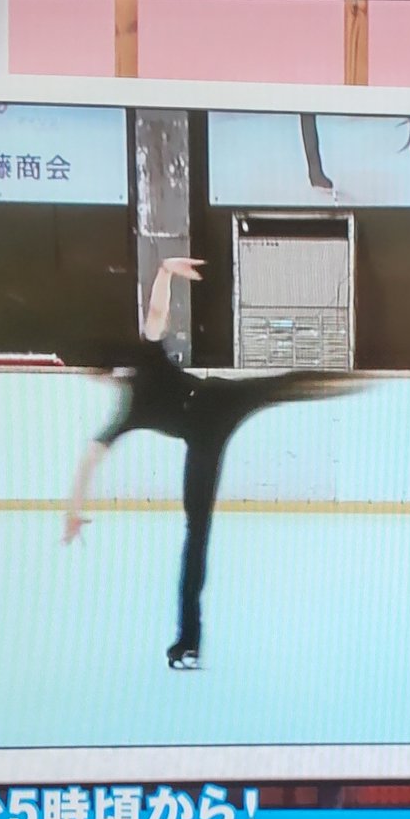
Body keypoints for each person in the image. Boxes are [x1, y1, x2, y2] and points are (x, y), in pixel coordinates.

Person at [64, 256, 361, 670]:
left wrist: (72, 513)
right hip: (216, 410)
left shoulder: (133, 402)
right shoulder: (141, 374)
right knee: (279, 389)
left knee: (197, 533)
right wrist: (165, 271)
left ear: (100, 373)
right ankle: (188, 640)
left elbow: (90, 459)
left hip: (210, 420)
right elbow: (156, 312)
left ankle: (188, 641)